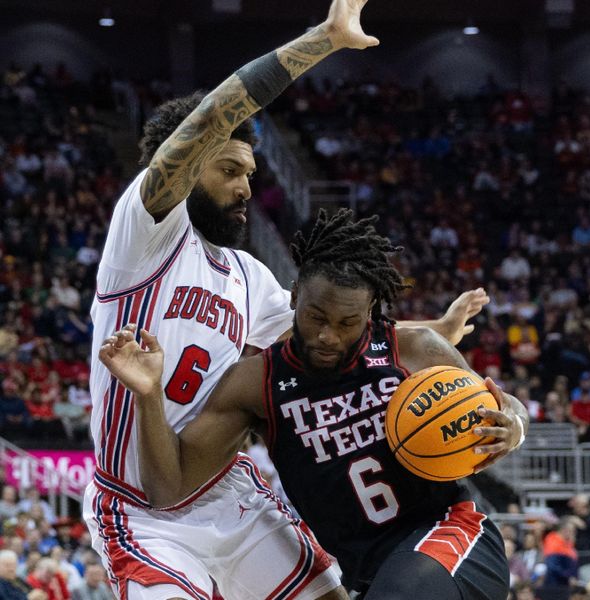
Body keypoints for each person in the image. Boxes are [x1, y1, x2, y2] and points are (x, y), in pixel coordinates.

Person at [82, 2, 488, 599]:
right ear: (189, 166)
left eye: (250, 172)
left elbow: (334, 334)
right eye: (228, 170)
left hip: (228, 490)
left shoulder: (247, 275)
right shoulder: (142, 239)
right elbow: (210, 116)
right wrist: (321, 41)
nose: (247, 187)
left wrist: (438, 330)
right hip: (141, 508)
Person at [98, 209, 527, 599]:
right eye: (316, 317)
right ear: (294, 295)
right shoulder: (256, 383)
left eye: (347, 323)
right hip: (371, 571)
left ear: (372, 310)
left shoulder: (414, 349)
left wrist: (514, 425)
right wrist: (149, 395)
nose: (329, 337)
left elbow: (502, 404)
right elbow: (168, 490)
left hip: (451, 533)